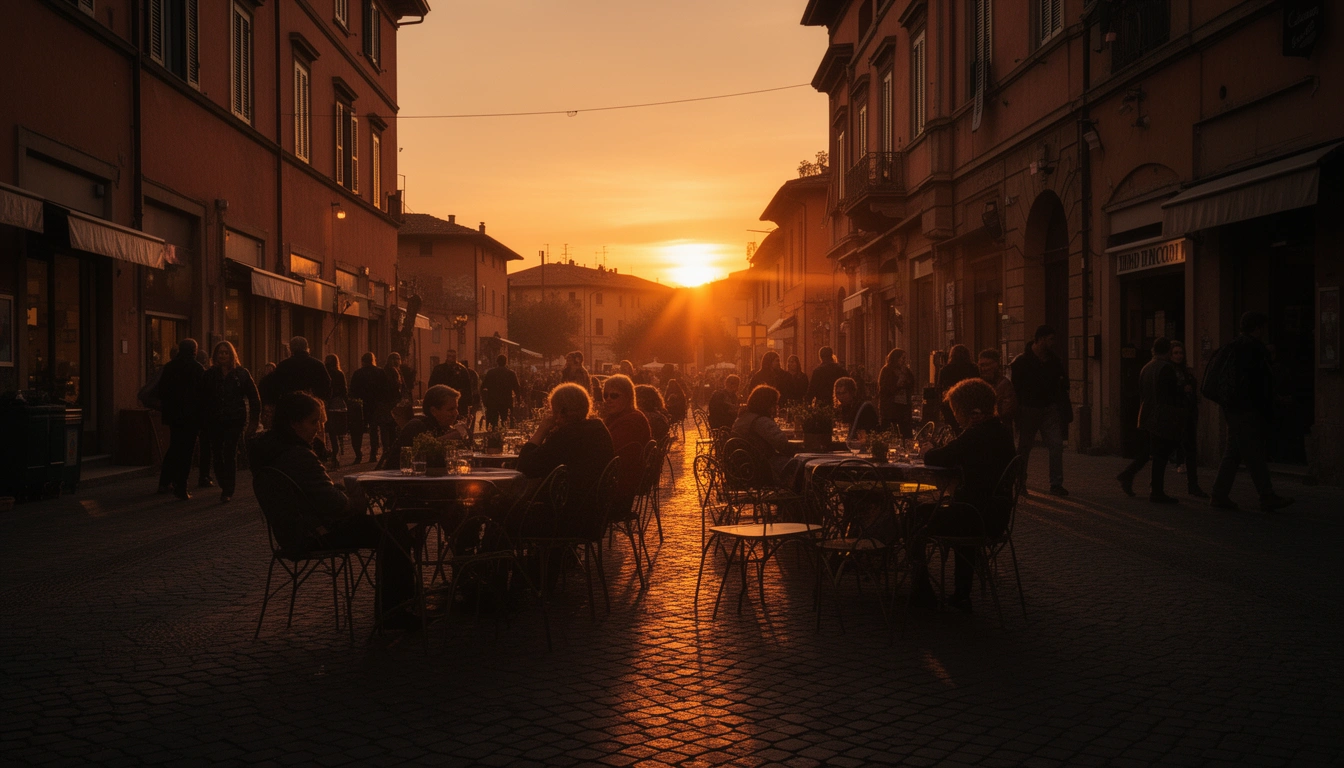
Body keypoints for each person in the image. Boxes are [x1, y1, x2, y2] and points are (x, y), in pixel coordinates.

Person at [248, 392, 418, 630]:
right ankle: (396, 610)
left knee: (389, 525)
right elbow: (335, 505)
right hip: (315, 533)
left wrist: (336, 490)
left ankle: (397, 607)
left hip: (293, 531)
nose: (318, 428)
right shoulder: (298, 455)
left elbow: (315, 491)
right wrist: (353, 494)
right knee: (392, 526)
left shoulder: (272, 451)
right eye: (313, 422)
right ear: (294, 423)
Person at [909, 378, 1017, 613]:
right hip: (995, 514)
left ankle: (921, 588)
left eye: (956, 410)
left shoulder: (976, 434)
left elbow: (939, 458)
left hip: (975, 517)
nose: (955, 416)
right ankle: (961, 592)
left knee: (914, 514)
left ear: (968, 410)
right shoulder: (1000, 431)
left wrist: (927, 449)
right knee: (957, 508)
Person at [1207, 312, 1294, 512]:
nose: (1263, 331)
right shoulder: (1253, 348)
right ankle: (1266, 495)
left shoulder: (1233, 346)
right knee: (1253, 453)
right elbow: (1259, 384)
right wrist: (1272, 404)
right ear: (1257, 328)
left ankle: (1219, 494)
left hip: (1232, 408)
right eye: (1262, 327)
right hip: (1246, 410)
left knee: (1234, 452)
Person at [517, 382, 617, 538]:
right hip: (593, 515)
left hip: (565, 519)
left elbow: (525, 466)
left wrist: (542, 429)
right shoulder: (598, 429)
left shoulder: (568, 435)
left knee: (501, 509)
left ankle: (495, 560)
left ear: (561, 411)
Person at [1116, 338, 1186, 504]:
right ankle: (1156, 491)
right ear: (1168, 351)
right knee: (1161, 452)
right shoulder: (1166, 368)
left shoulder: (1146, 367)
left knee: (1151, 450)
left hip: (1147, 413)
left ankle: (1129, 475)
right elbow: (1170, 395)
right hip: (1161, 415)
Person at [1011, 325, 1070, 496]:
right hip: (1028, 409)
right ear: (1041, 339)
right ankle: (1020, 482)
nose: (1054, 343)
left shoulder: (1054, 361)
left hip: (1049, 409)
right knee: (1024, 448)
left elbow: (1063, 382)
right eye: (1051, 339)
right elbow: (1016, 389)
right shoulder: (1021, 362)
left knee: (1056, 445)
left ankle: (1056, 484)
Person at [202, 341, 260, 503]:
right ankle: (223, 482)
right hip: (214, 420)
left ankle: (228, 489)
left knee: (229, 452)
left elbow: (254, 398)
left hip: (234, 420)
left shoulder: (241, 374)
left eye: (226, 352)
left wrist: (253, 422)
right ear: (215, 355)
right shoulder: (209, 375)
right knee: (217, 454)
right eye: (220, 353)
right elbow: (202, 398)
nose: (223, 355)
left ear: (232, 355)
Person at [156, 338, 206, 500]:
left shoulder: (169, 367)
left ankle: (164, 481)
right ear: (194, 351)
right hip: (192, 417)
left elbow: (161, 391)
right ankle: (181, 486)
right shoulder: (198, 369)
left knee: (175, 447)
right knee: (187, 451)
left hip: (173, 416)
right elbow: (203, 394)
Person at [380, 384, 470, 472]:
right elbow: (421, 456)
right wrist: (450, 437)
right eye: (450, 409)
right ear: (433, 411)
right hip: (399, 482)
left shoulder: (443, 428)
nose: (456, 413)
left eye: (456, 408)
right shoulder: (416, 426)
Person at [600, 374, 652, 507]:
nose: (608, 400)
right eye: (605, 396)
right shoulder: (617, 417)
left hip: (617, 492)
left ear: (628, 397)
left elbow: (609, 453)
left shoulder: (631, 421)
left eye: (614, 395)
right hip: (615, 484)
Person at [731, 384, 797, 481]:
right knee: (799, 464)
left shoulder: (742, 417)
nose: (777, 407)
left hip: (743, 467)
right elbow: (782, 443)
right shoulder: (761, 421)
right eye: (775, 404)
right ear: (767, 404)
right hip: (763, 468)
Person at [1169, 341, 1207, 498]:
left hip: (1189, 413)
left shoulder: (1187, 371)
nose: (1179, 356)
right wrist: (1181, 389)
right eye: (1175, 353)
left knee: (1191, 450)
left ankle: (1193, 485)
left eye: (1181, 353)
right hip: (1176, 415)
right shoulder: (1168, 371)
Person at [259, 336, 332, 406]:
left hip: (289, 406)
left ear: (290, 349)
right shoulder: (318, 365)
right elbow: (326, 384)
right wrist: (321, 401)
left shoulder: (284, 365)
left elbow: (272, 384)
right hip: (312, 406)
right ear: (306, 348)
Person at [349, 353, 392, 464]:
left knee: (367, 430)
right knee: (381, 429)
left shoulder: (358, 373)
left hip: (366, 405)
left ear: (363, 361)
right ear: (373, 360)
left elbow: (353, 390)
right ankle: (381, 452)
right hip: (379, 404)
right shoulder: (380, 372)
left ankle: (367, 454)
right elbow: (387, 389)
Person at [936, 345, 980, 427]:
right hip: (969, 403)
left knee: (953, 427)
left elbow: (940, 388)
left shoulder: (945, 370)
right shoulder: (973, 368)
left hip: (950, 403)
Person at [878, 348, 916, 438]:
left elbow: (912, 384)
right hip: (891, 407)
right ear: (896, 358)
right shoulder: (886, 370)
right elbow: (883, 389)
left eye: (905, 358)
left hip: (904, 407)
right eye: (902, 358)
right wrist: (897, 385)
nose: (904, 361)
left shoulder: (907, 371)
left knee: (906, 431)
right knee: (890, 432)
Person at [977, 349, 1017, 434]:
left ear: (996, 365)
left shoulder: (1004, 384)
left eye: (987, 365)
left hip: (999, 430)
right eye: (981, 365)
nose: (983, 369)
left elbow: (1007, 411)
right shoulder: (978, 384)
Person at [479, 354, 522, 429]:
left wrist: (484, 400)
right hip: (506, 401)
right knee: (505, 422)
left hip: (493, 402)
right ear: (506, 362)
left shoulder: (490, 373)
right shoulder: (511, 373)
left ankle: (494, 438)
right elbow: (516, 388)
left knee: (493, 424)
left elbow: (483, 387)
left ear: (497, 362)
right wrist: (518, 400)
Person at [324, 354, 349, 466]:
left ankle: (331, 451)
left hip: (326, 403)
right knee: (337, 429)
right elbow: (344, 389)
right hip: (337, 403)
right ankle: (337, 452)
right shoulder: (339, 373)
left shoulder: (324, 373)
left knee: (329, 430)